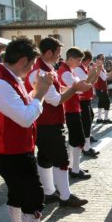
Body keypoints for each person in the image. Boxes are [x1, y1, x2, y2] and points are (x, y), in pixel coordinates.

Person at [0, 38, 60, 222]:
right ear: (22, 61)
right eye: (31, 64)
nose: (32, 69)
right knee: (32, 196)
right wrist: (40, 94)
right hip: (12, 151)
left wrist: (38, 89)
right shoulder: (0, 83)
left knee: (17, 194)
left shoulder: (9, 77)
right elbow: (24, 117)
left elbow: (22, 104)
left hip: (11, 149)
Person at [25, 37, 92, 206]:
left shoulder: (44, 68)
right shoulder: (40, 72)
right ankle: (65, 196)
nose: (59, 57)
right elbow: (55, 100)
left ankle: (48, 192)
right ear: (48, 52)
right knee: (61, 160)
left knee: (45, 157)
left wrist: (72, 88)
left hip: (42, 121)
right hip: (47, 123)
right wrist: (75, 88)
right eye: (57, 53)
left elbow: (55, 90)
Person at [58, 47, 92, 179]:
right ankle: (75, 170)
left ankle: (74, 167)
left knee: (75, 140)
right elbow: (80, 88)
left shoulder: (69, 71)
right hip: (70, 108)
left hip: (73, 107)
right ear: (70, 59)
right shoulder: (65, 72)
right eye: (78, 60)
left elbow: (81, 86)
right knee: (77, 139)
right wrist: (87, 82)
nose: (79, 63)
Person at [74, 50, 100, 156]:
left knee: (89, 119)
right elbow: (85, 84)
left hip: (86, 99)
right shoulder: (78, 69)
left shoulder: (83, 68)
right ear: (88, 60)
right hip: (81, 99)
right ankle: (86, 147)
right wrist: (93, 73)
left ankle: (87, 141)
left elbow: (92, 82)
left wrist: (97, 72)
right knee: (86, 122)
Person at [95, 54, 112, 123]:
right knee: (107, 102)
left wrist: (111, 72)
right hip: (101, 88)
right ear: (98, 59)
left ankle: (99, 118)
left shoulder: (101, 67)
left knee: (101, 102)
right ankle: (106, 119)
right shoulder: (98, 67)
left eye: (103, 58)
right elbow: (107, 78)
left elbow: (106, 75)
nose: (103, 60)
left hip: (100, 88)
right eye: (102, 58)